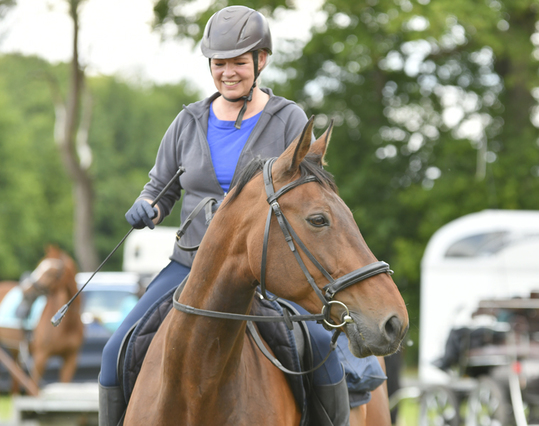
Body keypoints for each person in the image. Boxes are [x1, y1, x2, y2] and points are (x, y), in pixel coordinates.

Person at [98, 6, 355, 426]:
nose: (228, 72)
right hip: (190, 265)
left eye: (239, 62)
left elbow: (308, 192)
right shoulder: (188, 121)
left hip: (263, 271)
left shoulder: (288, 119)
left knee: (318, 346)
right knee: (114, 353)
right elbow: (161, 187)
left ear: (262, 60)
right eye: (220, 63)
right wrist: (149, 206)